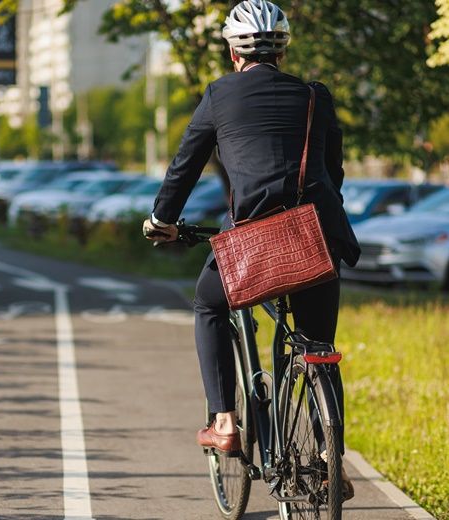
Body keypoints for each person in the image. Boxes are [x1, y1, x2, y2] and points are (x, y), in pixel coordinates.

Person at [142, 0, 360, 499]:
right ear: (282, 48)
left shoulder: (219, 96)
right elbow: (333, 172)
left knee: (208, 304)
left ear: (232, 49)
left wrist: (163, 220)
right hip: (315, 242)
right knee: (317, 348)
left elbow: (185, 165)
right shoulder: (314, 96)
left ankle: (224, 422)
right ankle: (330, 457)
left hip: (253, 247)